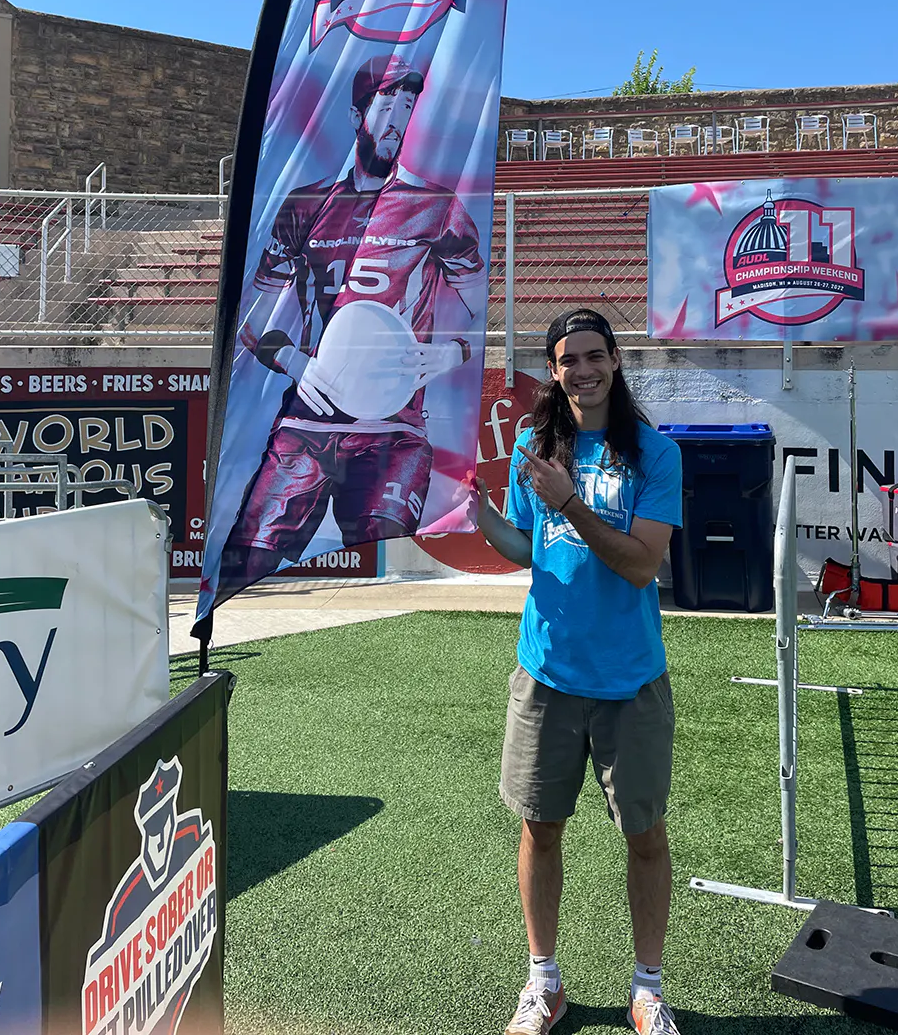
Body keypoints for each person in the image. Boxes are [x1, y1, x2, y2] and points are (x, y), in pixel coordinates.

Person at [476, 308, 683, 1035]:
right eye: (569, 360)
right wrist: (473, 511)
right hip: (547, 674)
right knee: (540, 829)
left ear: (616, 361)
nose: (583, 370)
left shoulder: (655, 454)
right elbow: (525, 548)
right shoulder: (532, 447)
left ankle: (648, 987)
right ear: (554, 369)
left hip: (630, 678)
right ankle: (543, 983)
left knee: (645, 836)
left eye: (595, 356)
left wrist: (568, 500)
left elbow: (639, 566)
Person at [219, 52, 483, 589]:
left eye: (411, 104)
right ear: (356, 113)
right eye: (388, 100)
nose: (399, 117)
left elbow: (481, 312)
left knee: (393, 568)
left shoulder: (436, 206)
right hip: (306, 425)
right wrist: (295, 362)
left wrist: (451, 352)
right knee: (246, 563)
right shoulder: (305, 204)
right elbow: (248, 319)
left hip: (393, 428)